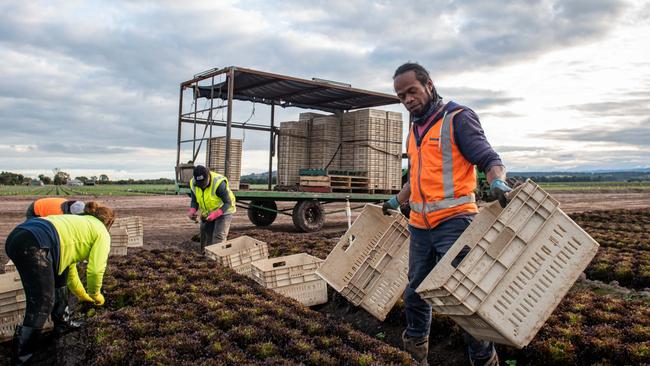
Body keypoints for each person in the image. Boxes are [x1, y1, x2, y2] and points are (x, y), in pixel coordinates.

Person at [383, 62, 511, 366]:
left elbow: (489, 158)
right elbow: (416, 178)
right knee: (415, 292)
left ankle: (483, 360)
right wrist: (395, 201)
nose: (407, 99)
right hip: (419, 226)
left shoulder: (458, 118)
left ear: (429, 84)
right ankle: (416, 353)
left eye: (412, 91)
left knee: (462, 297)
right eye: (401, 96)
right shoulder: (415, 129)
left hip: (455, 222)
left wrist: (498, 181)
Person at [5, 202, 113, 365]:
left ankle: (63, 323)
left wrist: (83, 296)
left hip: (21, 235)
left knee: (60, 274)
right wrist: (96, 295)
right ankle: (22, 359)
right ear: (109, 223)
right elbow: (96, 270)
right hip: (34, 243)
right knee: (42, 303)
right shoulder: (102, 233)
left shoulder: (78, 222)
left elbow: (70, 271)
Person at [187, 165, 236, 253]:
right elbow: (194, 201)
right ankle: (206, 256)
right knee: (205, 232)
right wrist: (192, 211)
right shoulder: (193, 183)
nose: (202, 187)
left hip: (224, 210)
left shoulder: (218, 183)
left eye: (204, 184)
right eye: (200, 185)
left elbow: (228, 203)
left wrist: (216, 214)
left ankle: (217, 259)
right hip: (209, 211)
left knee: (218, 236)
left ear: (208, 176)